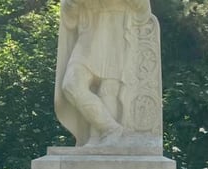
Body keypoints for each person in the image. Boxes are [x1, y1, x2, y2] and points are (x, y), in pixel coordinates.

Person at [54, 0, 159, 147]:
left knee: (109, 89)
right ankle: (110, 128)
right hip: (88, 35)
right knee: (71, 85)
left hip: (117, 31)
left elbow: (142, 7)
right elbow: (69, 14)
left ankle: (97, 138)